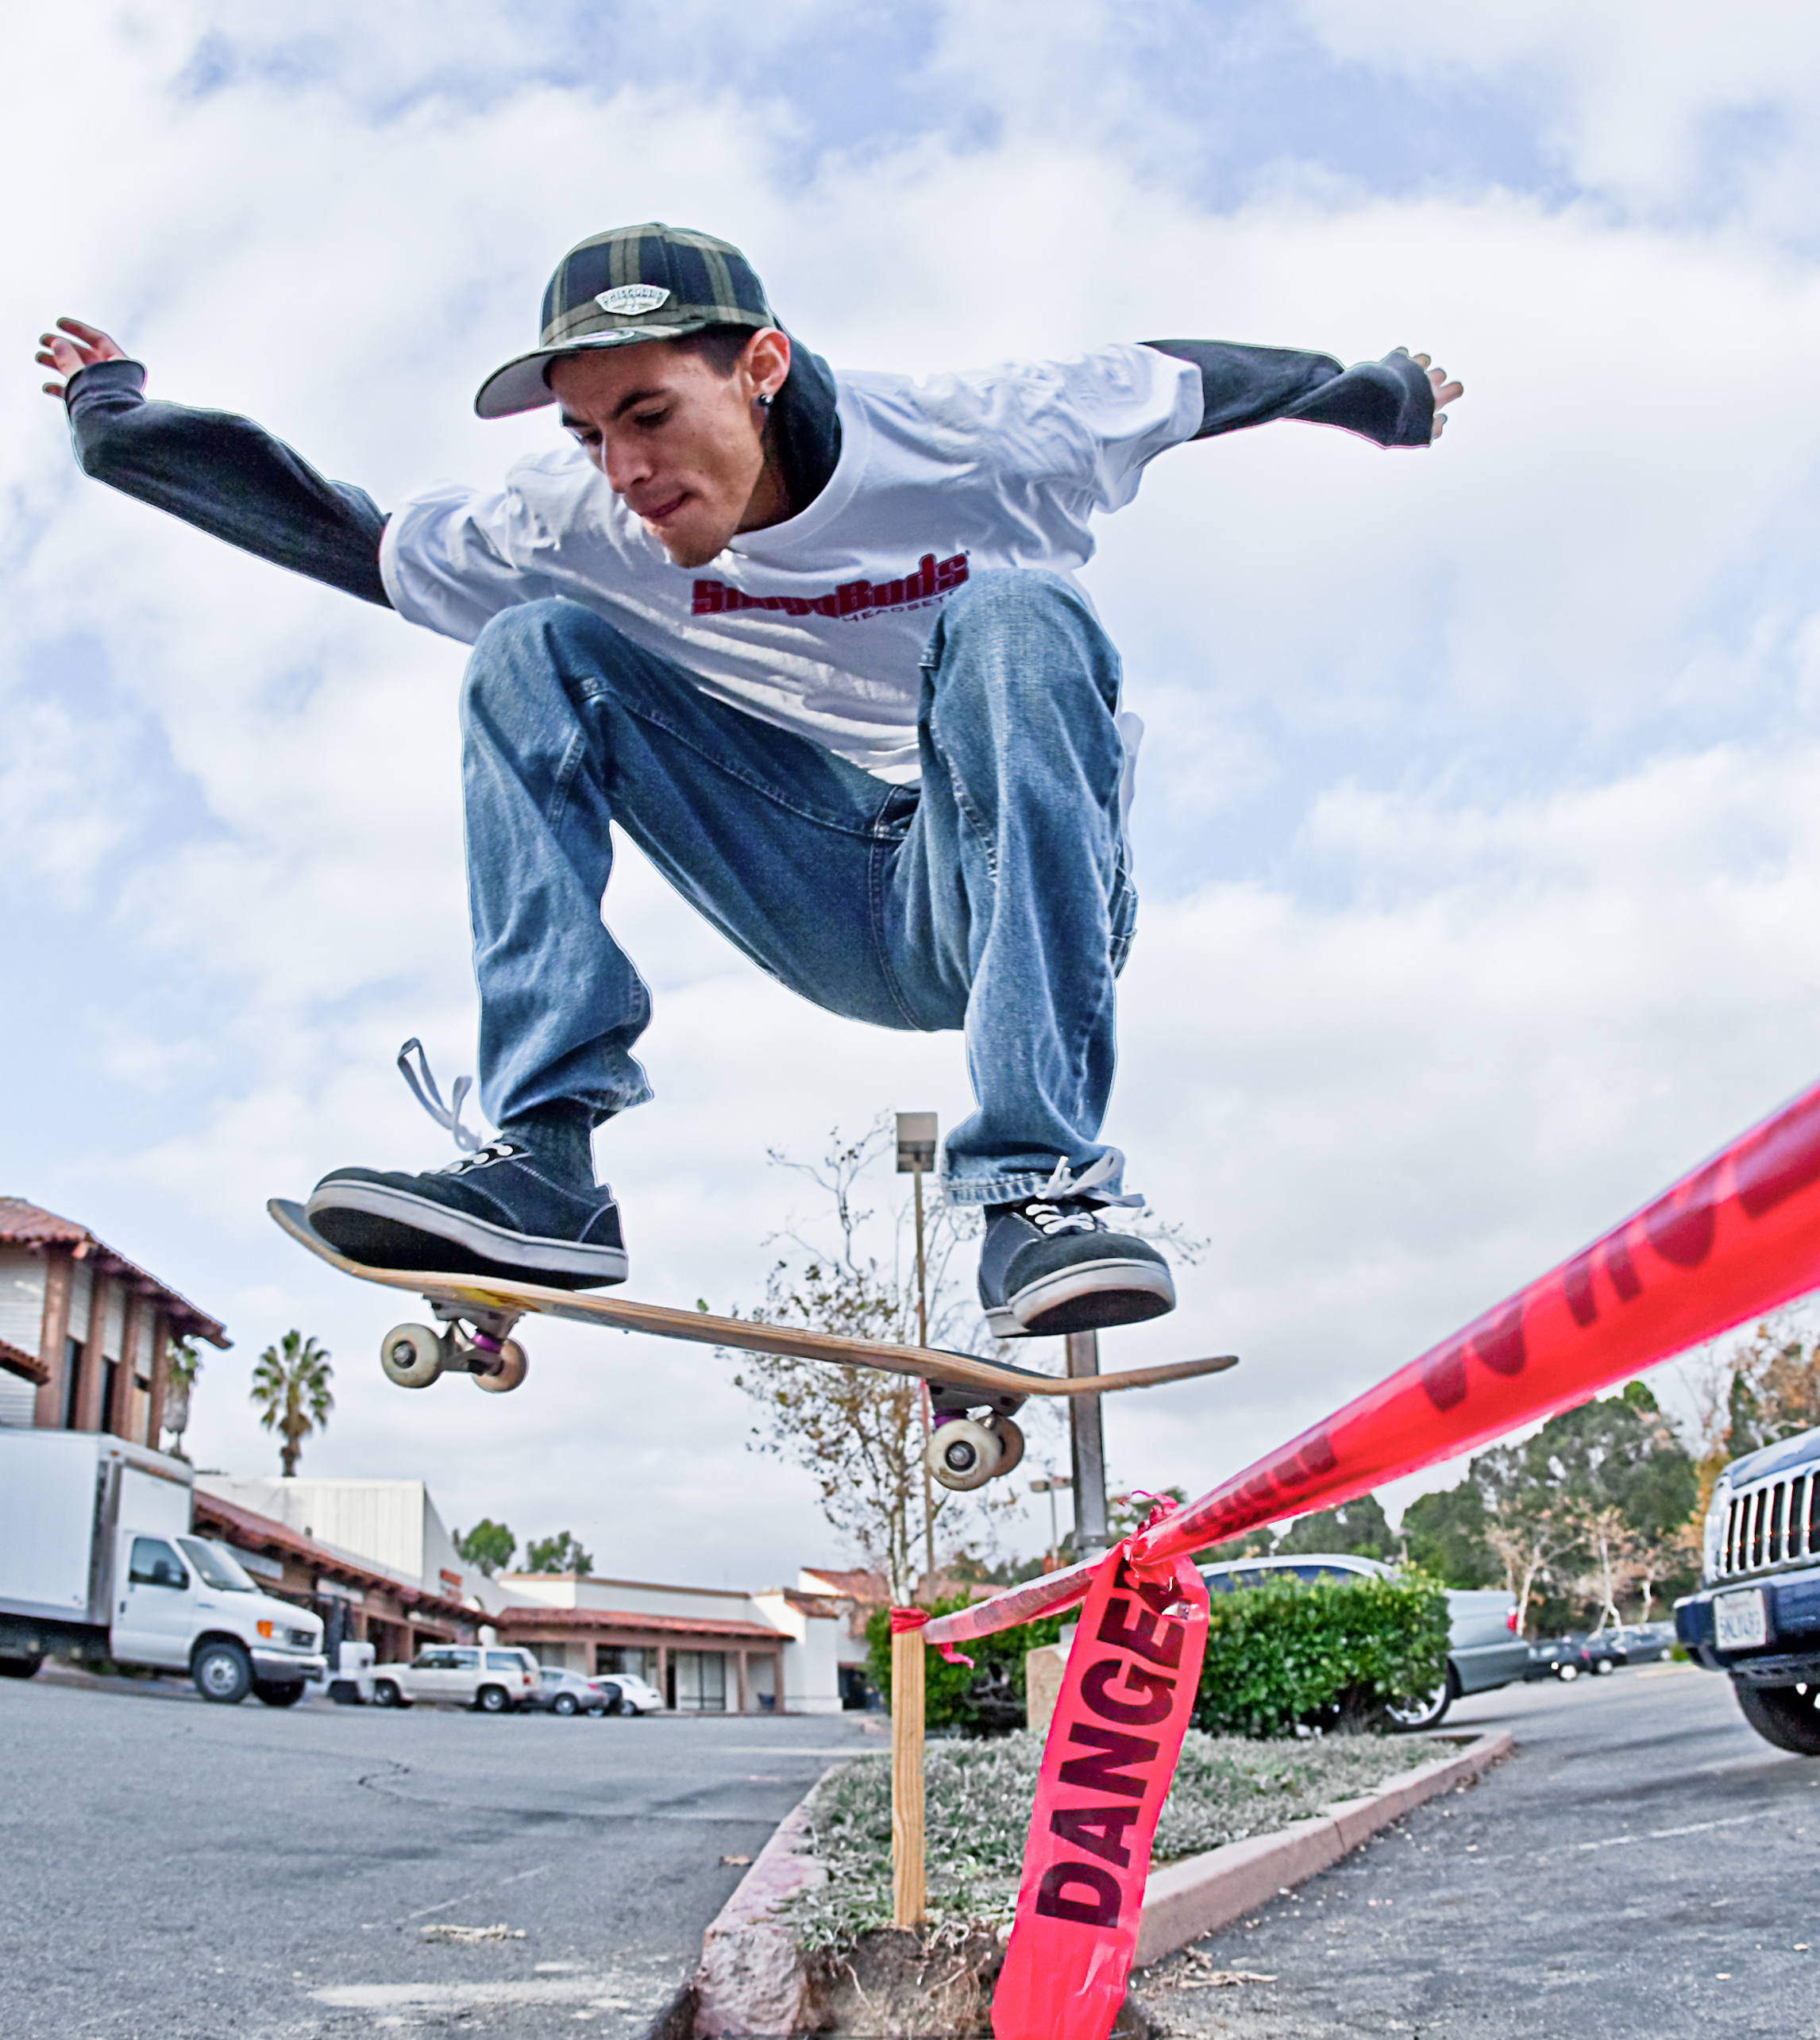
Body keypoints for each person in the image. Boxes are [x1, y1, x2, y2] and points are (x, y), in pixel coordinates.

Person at [39, 222, 1461, 1337]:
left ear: (762, 365)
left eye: (651, 415)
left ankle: (1039, 1187)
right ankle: (547, 1158)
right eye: (591, 435)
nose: (628, 474)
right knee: (531, 653)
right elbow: (348, 534)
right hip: (823, 887)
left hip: (1017, 884)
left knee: (1018, 622)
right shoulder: (572, 524)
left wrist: (1386, 396)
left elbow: (1205, 380)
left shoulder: (987, 436)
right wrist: (119, 425)